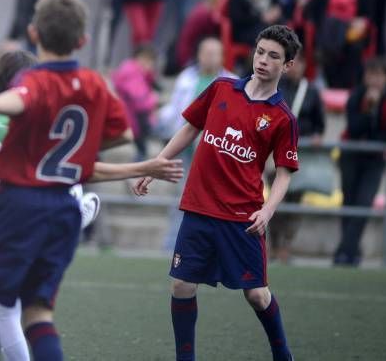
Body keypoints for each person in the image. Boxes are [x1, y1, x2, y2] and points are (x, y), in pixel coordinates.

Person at [0, 49, 181, 361]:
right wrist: (142, 168)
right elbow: (86, 165)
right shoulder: (17, 126)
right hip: (7, 223)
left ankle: (73, 208)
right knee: (28, 311)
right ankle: (73, 209)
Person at [0, 0, 134, 361]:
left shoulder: (35, 80)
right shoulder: (95, 85)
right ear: (83, 41)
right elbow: (125, 134)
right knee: (39, 313)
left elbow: (19, 99)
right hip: (64, 207)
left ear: (33, 33)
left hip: (18, 202)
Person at [134, 24, 302, 361]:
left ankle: (283, 354)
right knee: (181, 285)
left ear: (287, 66)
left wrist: (267, 211)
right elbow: (189, 129)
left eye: (273, 56)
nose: (263, 60)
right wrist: (157, 163)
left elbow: (284, 173)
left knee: (256, 295)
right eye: (260, 52)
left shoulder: (282, 118)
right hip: (199, 208)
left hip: (242, 218)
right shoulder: (221, 88)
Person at [155, 37, 237, 250]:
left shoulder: (233, 83)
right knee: (180, 198)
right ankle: (172, 244)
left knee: (214, 200)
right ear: (199, 55)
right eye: (206, 52)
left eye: (214, 52)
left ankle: (210, 247)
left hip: (216, 155)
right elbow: (175, 111)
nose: (209, 57)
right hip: (186, 151)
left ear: (222, 56)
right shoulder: (185, 78)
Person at [334, 58, 386, 266]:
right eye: (370, 75)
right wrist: (368, 109)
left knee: (364, 204)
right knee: (349, 204)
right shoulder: (356, 96)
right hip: (351, 157)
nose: (374, 80)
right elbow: (354, 128)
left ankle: (343, 253)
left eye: (379, 75)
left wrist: (375, 139)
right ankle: (352, 253)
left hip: (375, 160)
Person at [271, 53, 325, 263]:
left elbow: (320, 123)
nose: (295, 67)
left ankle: (286, 245)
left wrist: (316, 136)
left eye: (299, 63)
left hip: (299, 154)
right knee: (274, 202)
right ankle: (273, 245)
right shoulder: (276, 86)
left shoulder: (311, 91)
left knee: (295, 202)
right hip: (274, 154)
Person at [309, 0, 374, 89]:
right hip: (329, 27)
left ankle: (347, 85)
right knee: (331, 26)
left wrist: (362, 21)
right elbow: (316, 7)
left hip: (352, 29)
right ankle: (333, 83)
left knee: (352, 46)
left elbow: (369, 15)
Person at [170, 0, 236, 72]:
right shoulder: (205, 14)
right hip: (192, 60)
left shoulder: (212, 11)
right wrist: (187, 64)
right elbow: (186, 41)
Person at [111, 45, 159, 161]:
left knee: (140, 138)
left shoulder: (135, 71)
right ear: (141, 58)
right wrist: (152, 100)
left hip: (132, 113)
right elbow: (139, 98)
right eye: (149, 62)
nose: (150, 66)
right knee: (140, 136)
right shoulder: (132, 73)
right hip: (133, 114)